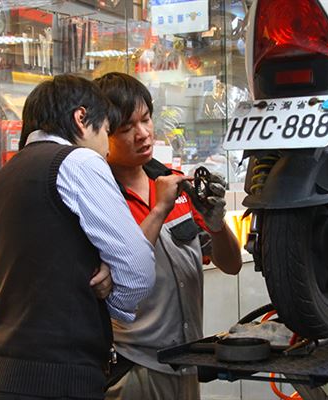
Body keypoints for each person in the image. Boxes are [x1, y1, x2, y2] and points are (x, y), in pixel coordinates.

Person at [0, 74, 186, 400]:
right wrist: (111, 294)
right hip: (58, 378)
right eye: (106, 130)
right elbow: (138, 271)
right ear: (81, 119)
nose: (106, 146)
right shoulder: (78, 161)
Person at [95, 72, 243, 400]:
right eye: (127, 128)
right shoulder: (99, 198)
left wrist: (218, 225)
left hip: (187, 361)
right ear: (103, 133)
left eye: (146, 119)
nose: (143, 133)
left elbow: (232, 265)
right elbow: (118, 275)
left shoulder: (176, 183)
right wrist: (159, 209)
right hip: (135, 367)